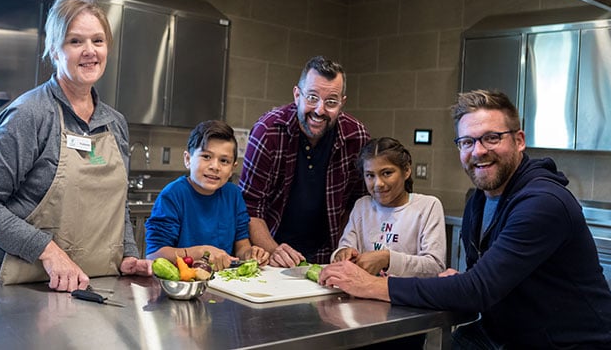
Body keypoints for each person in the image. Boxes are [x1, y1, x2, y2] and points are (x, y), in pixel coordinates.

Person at [319, 89, 611, 349]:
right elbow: (481, 280)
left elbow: (477, 290)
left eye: (491, 138)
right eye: (467, 142)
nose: (478, 151)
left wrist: (370, 285)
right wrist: (462, 282)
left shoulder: (543, 203)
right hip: (503, 334)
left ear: (519, 140)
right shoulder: (481, 198)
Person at [0, 0, 152, 292]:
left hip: (81, 287)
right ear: (53, 49)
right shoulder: (31, 114)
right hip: (12, 288)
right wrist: (47, 250)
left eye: (98, 41)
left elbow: (117, 206)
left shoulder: (115, 123)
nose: (90, 51)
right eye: (75, 41)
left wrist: (128, 252)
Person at [239, 55, 370, 267]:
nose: (320, 110)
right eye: (312, 97)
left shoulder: (357, 136)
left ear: (342, 103)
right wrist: (273, 251)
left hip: (328, 256)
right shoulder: (268, 131)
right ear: (297, 95)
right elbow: (250, 206)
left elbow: (357, 203)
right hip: (271, 253)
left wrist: (344, 247)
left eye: (331, 102)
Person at [145, 120, 270, 271]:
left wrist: (251, 254)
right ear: (187, 159)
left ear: (232, 168)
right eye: (206, 157)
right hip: (184, 283)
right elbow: (154, 256)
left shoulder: (234, 195)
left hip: (224, 283)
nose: (215, 167)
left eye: (224, 161)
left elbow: (242, 247)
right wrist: (199, 252)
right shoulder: (173, 195)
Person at [333, 137, 446, 278]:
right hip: (364, 294)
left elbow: (435, 266)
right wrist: (342, 253)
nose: (378, 183)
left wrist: (387, 258)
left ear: (406, 171)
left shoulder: (428, 206)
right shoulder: (362, 206)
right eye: (370, 175)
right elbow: (344, 247)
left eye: (387, 173)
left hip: (407, 297)